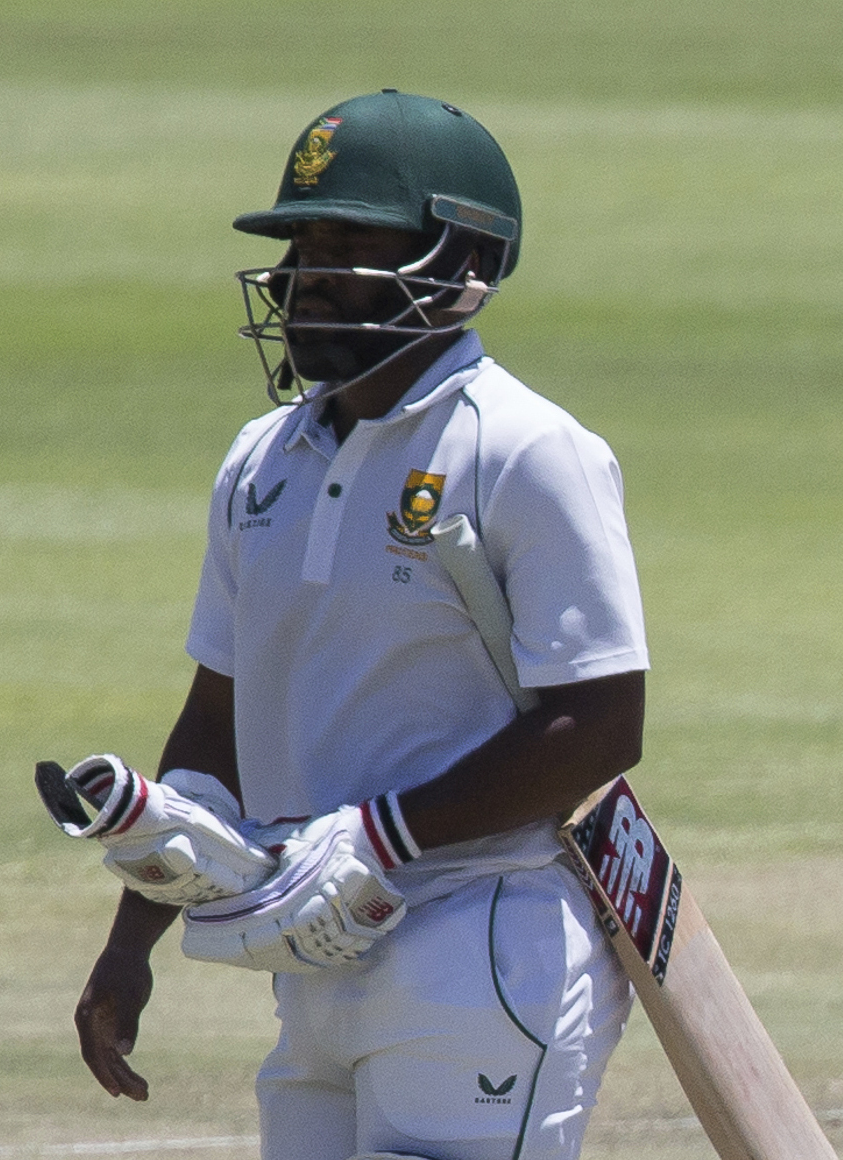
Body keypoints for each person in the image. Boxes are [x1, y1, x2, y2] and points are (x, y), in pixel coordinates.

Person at [71, 90, 651, 1160]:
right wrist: (131, 938)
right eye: (302, 239)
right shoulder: (262, 460)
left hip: (479, 936)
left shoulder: (525, 450)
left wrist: (385, 834)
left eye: (354, 242)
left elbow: (601, 724)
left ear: (462, 261)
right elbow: (218, 719)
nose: (310, 272)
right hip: (311, 959)